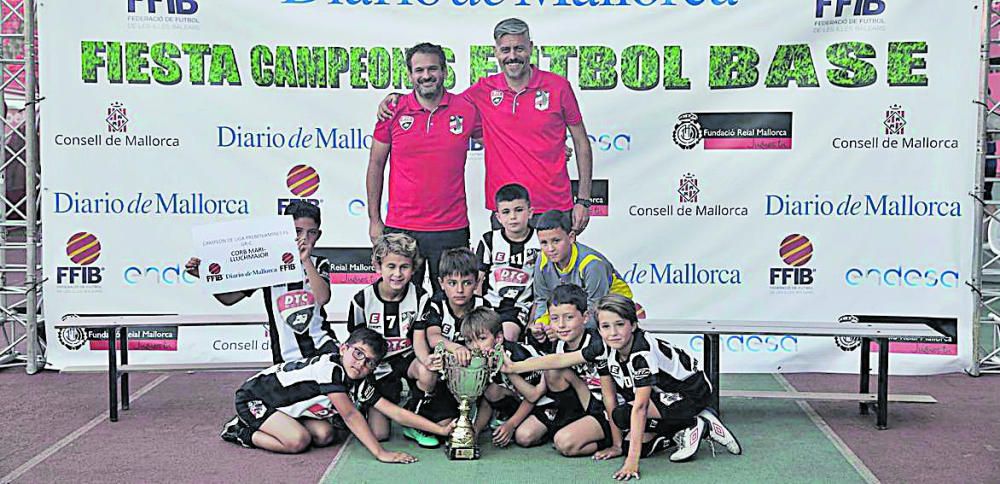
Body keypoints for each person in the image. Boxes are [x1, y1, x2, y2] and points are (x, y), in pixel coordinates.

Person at [378, 18, 595, 234]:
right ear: (496, 52)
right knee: (507, 270)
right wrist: (397, 98)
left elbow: (581, 142)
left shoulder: (558, 87)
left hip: (554, 206)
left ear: (531, 48)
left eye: (519, 48)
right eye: (505, 49)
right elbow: (438, 101)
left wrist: (583, 200)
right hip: (506, 211)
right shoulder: (482, 91)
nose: (512, 56)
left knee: (556, 269)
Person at [507, 294, 742, 480]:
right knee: (621, 419)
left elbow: (640, 408)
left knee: (628, 415)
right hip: (660, 399)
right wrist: (514, 367)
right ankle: (681, 432)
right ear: (598, 328)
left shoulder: (642, 352)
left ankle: (695, 420)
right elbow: (562, 363)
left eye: (620, 324)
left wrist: (631, 461)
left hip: (690, 395)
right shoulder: (604, 347)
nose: (613, 333)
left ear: (634, 324)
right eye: (606, 326)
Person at [220, 328, 453, 462]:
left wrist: (441, 430)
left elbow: (394, 411)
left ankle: (283, 422)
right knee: (297, 441)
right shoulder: (330, 369)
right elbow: (351, 415)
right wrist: (381, 453)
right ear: (343, 348)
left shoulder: (360, 379)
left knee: (324, 435)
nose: (361, 364)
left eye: (370, 362)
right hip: (255, 398)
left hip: (283, 407)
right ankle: (241, 432)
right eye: (358, 353)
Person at [367, 42, 481, 295]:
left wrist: (551, 147)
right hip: (402, 228)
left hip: (451, 228)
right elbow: (376, 164)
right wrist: (375, 220)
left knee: (455, 303)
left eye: (433, 69)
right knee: (402, 301)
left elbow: (504, 140)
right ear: (410, 75)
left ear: (444, 72)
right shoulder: (393, 111)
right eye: (419, 70)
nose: (426, 75)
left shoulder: (466, 110)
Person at [185, 201, 334, 364]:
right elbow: (229, 299)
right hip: (285, 358)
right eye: (297, 231)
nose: (304, 238)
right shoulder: (269, 265)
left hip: (322, 351)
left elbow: (322, 298)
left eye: (311, 232)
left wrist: (305, 260)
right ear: (283, 232)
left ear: (318, 235)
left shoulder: (318, 263)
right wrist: (204, 275)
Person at [504, 284, 615, 457]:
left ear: (585, 317)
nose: (561, 325)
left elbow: (558, 360)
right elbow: (541, 386)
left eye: (569, 317)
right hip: (579, 402)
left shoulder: (597, 343)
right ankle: (570, 424)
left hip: (610, 406)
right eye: (555, 319)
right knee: (524, 436)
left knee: (565, 444)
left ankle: (612, 438)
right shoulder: (559, 343)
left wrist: (514, 367)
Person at [346, 233, 430, 442]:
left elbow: (419, 339)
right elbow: (356, 345)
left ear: (413, 268)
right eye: (391, 266)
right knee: (380, 435)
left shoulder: (420, 296)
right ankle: (366, 404)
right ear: (378, 266)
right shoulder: (362, 299)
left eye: (404, 267)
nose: (397, 273)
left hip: (406, 359)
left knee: (427, 371)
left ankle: (414, 411)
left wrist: (427, 360)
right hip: (377, 365)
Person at [405, 247, 491, 447]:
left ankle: (481, 423)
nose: (459, 290)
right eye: (452, 283)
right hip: (443, 379)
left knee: (490, 390)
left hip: (471, 379)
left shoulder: (482, 305)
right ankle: (414, 418)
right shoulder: (436, 304)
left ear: (477, 282)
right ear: (441, 283)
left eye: (467, 283)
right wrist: (456, 348)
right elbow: (434, 337)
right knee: (446, 427)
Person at [460, 307, 553, 448]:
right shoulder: (484, 359)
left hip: (549, 400)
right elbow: (488, 399)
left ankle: (554, 428)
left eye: (482, 338)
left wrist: (511, 424)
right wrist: (475, 430)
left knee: (524, 437)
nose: (475, 347)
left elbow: (533, 396)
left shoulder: (518, 357)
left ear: (498, 338)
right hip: (524, 397)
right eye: (469, 341)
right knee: (491, 390)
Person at [531, 210, 632, 327]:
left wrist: (561, 329)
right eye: (544, 243)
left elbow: (595, 309)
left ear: (571, 237)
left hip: (614, 309)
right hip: (575, 315)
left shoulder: (592, 264)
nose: (550, 249)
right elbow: (542, 299)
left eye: (556, 241)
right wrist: (542, 326)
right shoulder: (542, 259)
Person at [476, 183, 540, 342]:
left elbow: (543, 287)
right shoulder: (489, 240)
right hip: (489, 304)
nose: (513, 217)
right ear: (498, 217)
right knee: (479, 337)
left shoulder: (540, 241)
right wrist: (476, 310)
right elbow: (478, 280)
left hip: (519, 306)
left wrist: (533, 319)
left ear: (530, 212)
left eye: (519, 210)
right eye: (506, 212)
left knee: (506, 337)